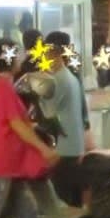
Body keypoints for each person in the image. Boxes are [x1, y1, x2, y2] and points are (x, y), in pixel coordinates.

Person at [0, 38, 60, 218]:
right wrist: (44, 149)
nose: (20, 58)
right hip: (1, 163)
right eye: (16, 54)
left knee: (26, 212)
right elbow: (16, 124)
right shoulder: (3, 88)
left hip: (8, 164)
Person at [41, 35, 86, 207]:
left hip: (63, 146)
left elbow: (48, 112)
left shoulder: (58, 80)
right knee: (74, 196)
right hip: (75, 144)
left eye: (48, 56)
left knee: (62, 197)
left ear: (57, 56)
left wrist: (39, 98)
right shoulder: (72, 78)